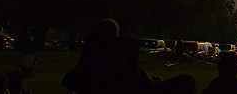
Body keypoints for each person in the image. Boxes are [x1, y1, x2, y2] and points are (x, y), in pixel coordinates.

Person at [62, 18, 195, 94]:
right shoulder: (121, 61)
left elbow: (68, 80)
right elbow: (143, 83)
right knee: (187, 80)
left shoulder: (89, 63)